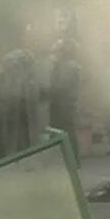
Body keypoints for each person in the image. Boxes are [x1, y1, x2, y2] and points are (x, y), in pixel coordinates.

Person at [48, 38, 82, 166]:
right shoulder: (63, 65)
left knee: (66, 132)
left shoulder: (70, 66)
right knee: (60, 132)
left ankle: (71, 160)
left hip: (65, 104)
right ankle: (65, 160)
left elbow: (61, 86)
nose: (56, 54)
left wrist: (48, 90)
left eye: (59, 51)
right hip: (61, 103)